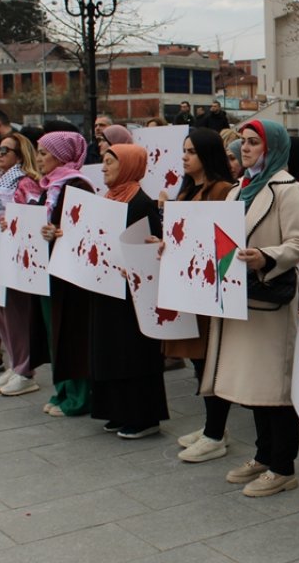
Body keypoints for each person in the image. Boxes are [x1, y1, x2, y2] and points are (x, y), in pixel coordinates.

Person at [199, 119, 299, 497]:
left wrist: (266, 256)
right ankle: (265, 456)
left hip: (271, 300)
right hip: (240, 297)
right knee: (253, 384)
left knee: (274, 388)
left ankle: (284, 466)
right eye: (242, 142)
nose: (244, 149)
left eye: (253, 143)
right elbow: (218, 240)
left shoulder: (288, 190)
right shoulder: (237, 191)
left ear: (272, 147)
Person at [86, 143, 169, 438]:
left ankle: (142, 416)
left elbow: (152, 247)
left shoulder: (141, 203)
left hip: (133, 294)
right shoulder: (107, 199)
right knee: (109, 349)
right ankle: (116, 410)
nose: (104, 167)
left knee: (131, 352)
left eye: (111, 162)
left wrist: (135, 266)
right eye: (104, 161)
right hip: (107, 288)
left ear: (130, 166)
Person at [168, 128, 239, 461]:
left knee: (212, 361)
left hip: (211, 288)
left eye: (191, 151)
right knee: (199, 360)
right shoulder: (184, 192)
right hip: (189, 286)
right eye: (184, 150)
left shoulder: (224, 191)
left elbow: (225, 240)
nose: (184, 157)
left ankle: (215, 432)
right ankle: (214, 426)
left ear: (207, 156)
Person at [36, 130, 98, 417]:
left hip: (70, 275)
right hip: (48, 270)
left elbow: (87, 230)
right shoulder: (49, 186)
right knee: (54, 332)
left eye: (43, 153)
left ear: (61, 156)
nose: (38, 159)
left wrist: (60, 233)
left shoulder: (78, 186)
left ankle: (79, 396)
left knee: (71, 332)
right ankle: (62, 390)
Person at [0, 133, 43, 396]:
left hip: (15, 255)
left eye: (4, 150)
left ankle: (25, 368)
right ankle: (14, 362)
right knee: (0, 309)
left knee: (16, 312)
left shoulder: (25, 182)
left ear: (18, 156)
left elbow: (26, 216)